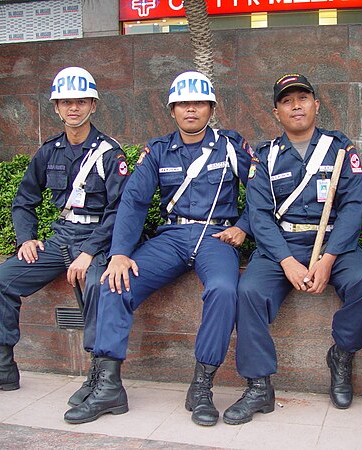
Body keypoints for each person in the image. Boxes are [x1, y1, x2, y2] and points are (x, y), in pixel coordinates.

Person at [63, 71, 254, 426]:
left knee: (225, 290)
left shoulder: (230, 145)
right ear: (172, 110)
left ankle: (201, 386)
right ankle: (108, 386)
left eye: (198, 103)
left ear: (211, 108)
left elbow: (259, 191)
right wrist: (120, 253)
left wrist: (243, 226)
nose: (191, 110)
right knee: (113, 282)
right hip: (171, 238)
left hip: (217, 239)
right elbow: (134, 201)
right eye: (183, 104)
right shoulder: (158, 150)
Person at [0, 67, 129, 408]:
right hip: (62, 237)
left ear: (93, 105)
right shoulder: (49, 150)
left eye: (80, 101)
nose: (73, 108)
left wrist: (90, 251)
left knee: (98, 285)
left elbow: (120, 210)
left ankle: (99, 375)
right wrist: (26, 239)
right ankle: (3, 366)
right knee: (0, 280)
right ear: (56, 108)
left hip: (99, 240)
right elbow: (24, 200)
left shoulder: (110, 153)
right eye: (65, 102)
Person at [222, 73, 362, 425]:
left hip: (334, 243)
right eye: (287, 101)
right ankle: (259, 385)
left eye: (303, 98)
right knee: (248, 292)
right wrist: (287, 261)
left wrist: (328, 259)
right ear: (276, 112)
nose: (296, 105)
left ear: (316, 104)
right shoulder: (265, 157)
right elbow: (259, 215)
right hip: (282, 244)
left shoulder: (341, 149)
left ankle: (341, 354)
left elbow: (354, 206)